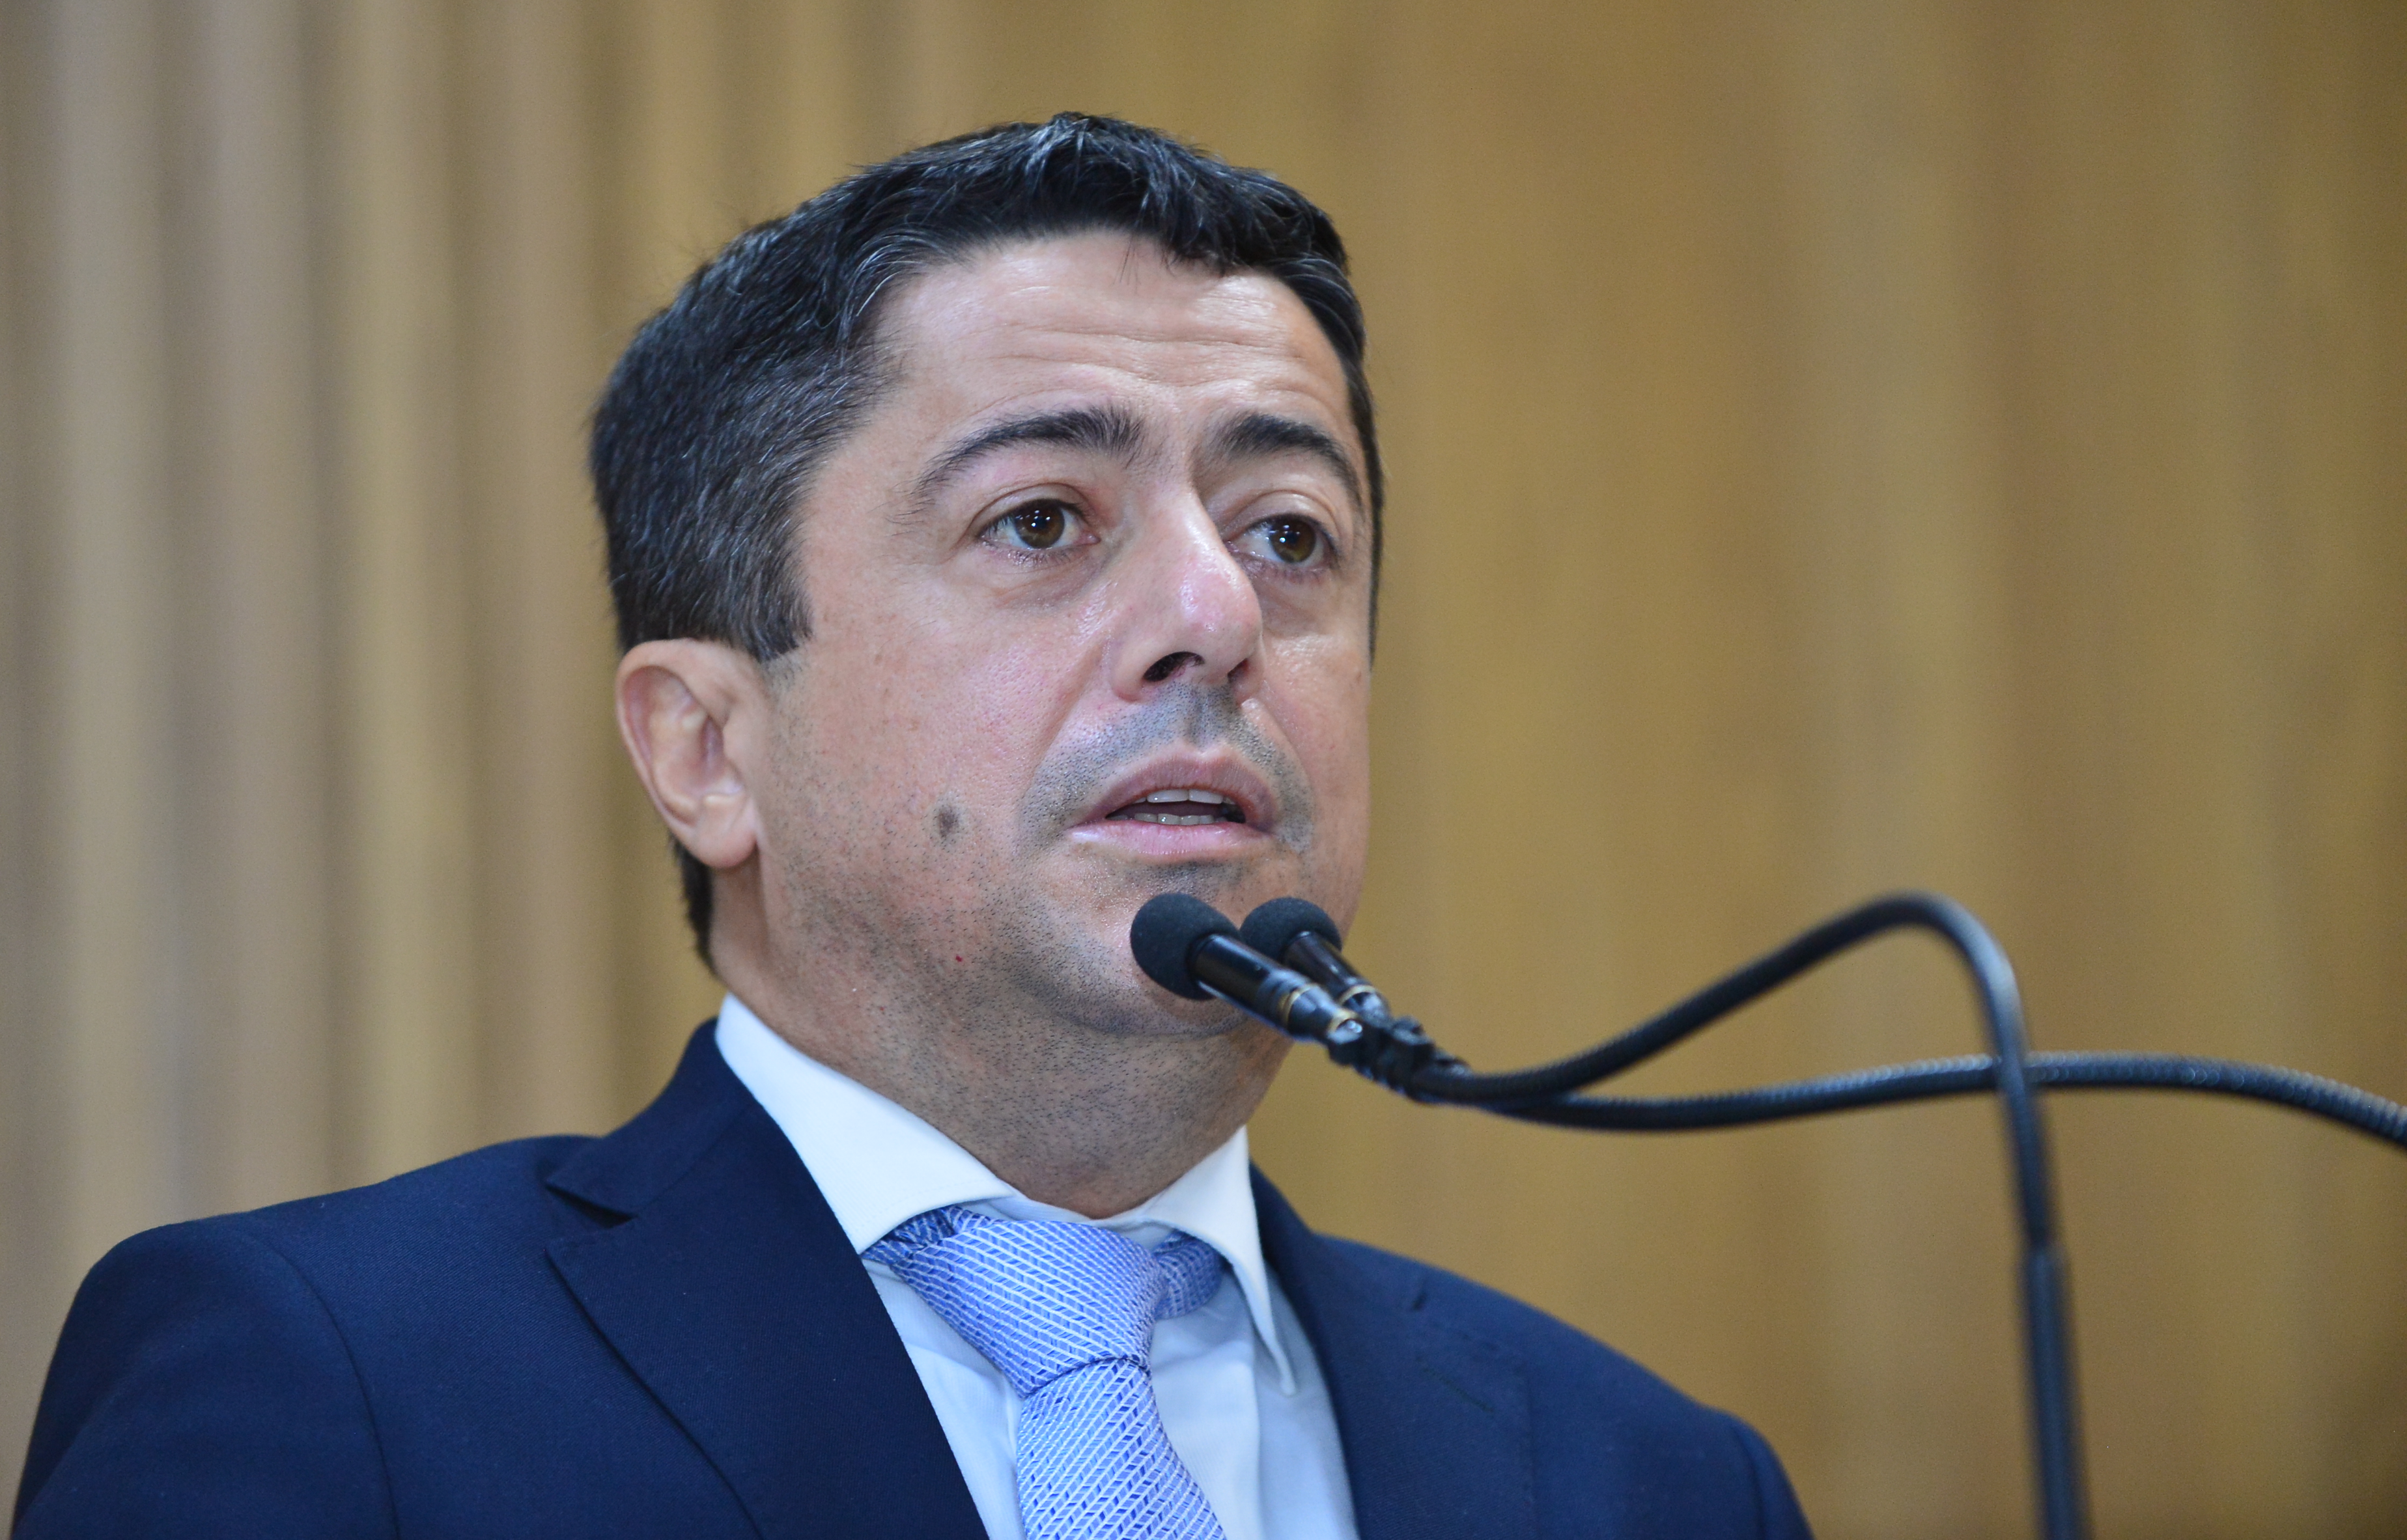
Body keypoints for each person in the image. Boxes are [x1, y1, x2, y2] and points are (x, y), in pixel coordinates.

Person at [14, 115, 1812, 1539]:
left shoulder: (1648, 1483)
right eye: (1041, 521)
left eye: (1289, 534)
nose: (1218, 616)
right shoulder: (329, 1385)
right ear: (707, 749)